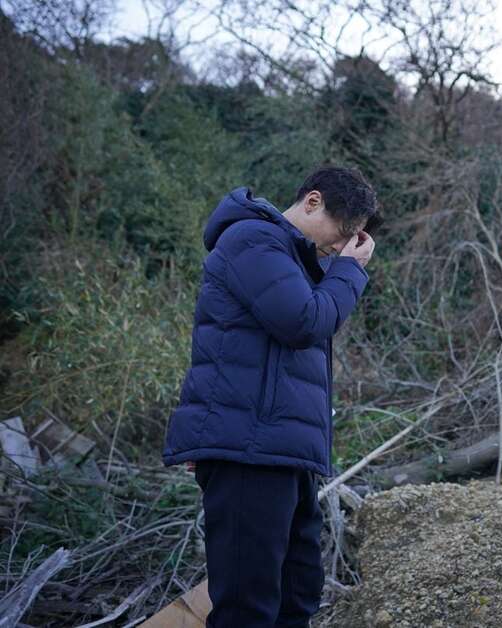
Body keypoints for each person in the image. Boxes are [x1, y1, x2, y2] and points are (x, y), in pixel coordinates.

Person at [162, 165, 380, 627]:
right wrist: (349, 272)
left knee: (296, 597)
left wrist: (336, 269)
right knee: (248, 608)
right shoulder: (252, 240)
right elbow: (303, 322)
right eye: (342, 235)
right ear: (313, 202)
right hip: (248, 449)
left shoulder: (297, 260)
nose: (341, 248)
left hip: (283, 453)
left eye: (350, 242)